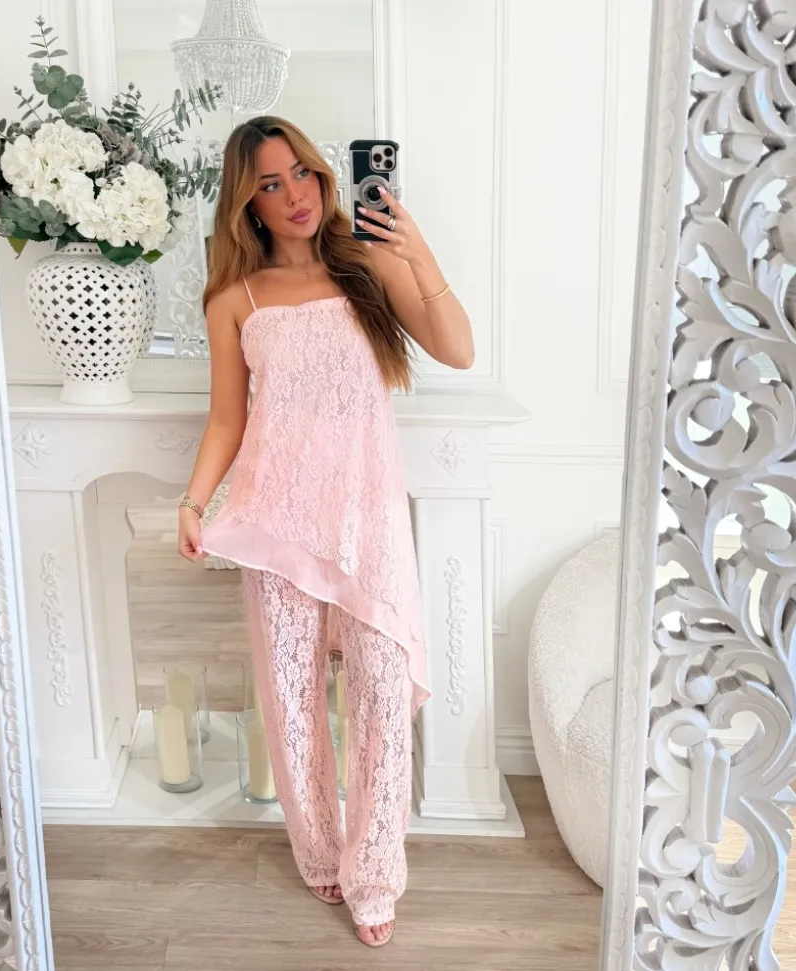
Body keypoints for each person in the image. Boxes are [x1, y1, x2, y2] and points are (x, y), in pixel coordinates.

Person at [178, 116, 474, 947]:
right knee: (292, 700)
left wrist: (415, 250)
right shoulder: (234, 300)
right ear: (247, 205)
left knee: (381, 694)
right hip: (277, 522)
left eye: (301, 172)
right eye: (269, 185)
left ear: (323, 173)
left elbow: (457, 349)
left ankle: (375, 872)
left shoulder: (368, 265)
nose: (294, 195)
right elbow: (228, 418)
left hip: (366, 520)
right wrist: (194, 502)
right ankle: (318, 853)